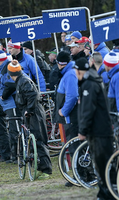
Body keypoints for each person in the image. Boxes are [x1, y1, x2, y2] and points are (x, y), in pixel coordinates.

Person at [74, 57, 115, 200]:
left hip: (98, 130)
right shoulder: (95, 79)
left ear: (78, 71)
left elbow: (87, 109)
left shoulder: (89, 84)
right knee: (104, 162)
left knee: (102, 163)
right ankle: (106, 191)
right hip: (101, 129)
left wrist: (82, 130)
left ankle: (107, 193)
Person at [7, 59, 52, 180]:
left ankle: (46, 170)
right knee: (32, 142)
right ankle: (39, 168)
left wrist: (30, 110)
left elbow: (33, 96)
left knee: (39, 141)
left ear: (11, 74)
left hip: (34, 114)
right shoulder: (21, 81)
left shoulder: (24, 81)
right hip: (29, 113)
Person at [53, 51, 79, 186]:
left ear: (59, 63)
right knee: (74, 145)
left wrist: (64, 111)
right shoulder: (69, 72)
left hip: (72, 118)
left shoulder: (69, 74)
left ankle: (80, 175)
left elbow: (72, 96)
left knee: (75, 146)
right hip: (71, 117)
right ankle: (79, 174)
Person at [0, 50, 20, 163]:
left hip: (12, 104)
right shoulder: (4, 68)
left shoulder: (7, 69)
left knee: (15, 130)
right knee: (12, 130)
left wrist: (4, 96)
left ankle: (17, 156)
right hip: (9, 105)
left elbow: (11, 84)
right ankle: (14, 155)